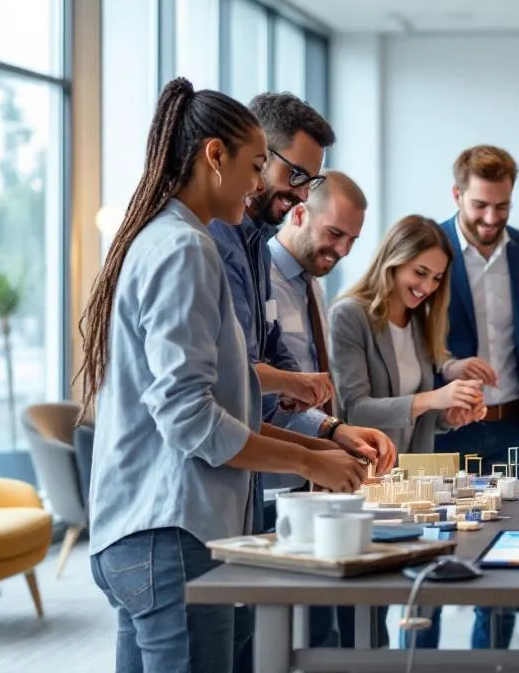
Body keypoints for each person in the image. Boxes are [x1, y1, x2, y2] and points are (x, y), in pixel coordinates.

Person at [81, 79, 370, 673]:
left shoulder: (168, 239)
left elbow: (226, 399)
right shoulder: (186, 249)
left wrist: (318, 444)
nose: (265, 185)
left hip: (156, 531)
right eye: (257, 165)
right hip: (170, 532)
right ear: (216, 156)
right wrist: (311, 461)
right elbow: (190, 420)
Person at [207, 92, 395, 670]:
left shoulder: (259, 255)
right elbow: (221, 386)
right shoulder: (201, 245)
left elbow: (264, 385)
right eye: (295, 176)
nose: (296, 188)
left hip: (250, 490)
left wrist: (331, 433)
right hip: (218, 497)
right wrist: (317, 451)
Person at [417, 145, 519, 650]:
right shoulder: (427, 246)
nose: (490, 217)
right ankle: (417, 661)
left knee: (508, 557)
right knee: (431, 554)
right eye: (480, 205)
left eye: (502, 206)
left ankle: (491, 661)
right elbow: (406, 329)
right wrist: (447, 366)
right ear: (457, 194)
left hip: (512, 423)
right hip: (442, 427)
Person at [266, 171, 376, 649]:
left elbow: (301, 398)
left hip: (308, 479)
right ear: (297, 212)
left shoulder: (310, 283)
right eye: (335, 234)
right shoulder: (258, 277)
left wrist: (334, 430)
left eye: (352, 239)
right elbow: (265, 397)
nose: (345, 251)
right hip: (267, 480)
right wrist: (326, 434)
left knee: (322, 634)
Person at [329, 214, 488, 455]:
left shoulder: (419, 321)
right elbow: (355, 410)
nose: (427, 288)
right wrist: (434, 398)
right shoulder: (349, 315)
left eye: (436, 278)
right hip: (364, 469)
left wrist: (448, 417)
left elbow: (411, 415)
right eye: (420, 272)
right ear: (394, 261)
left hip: (410, 475)